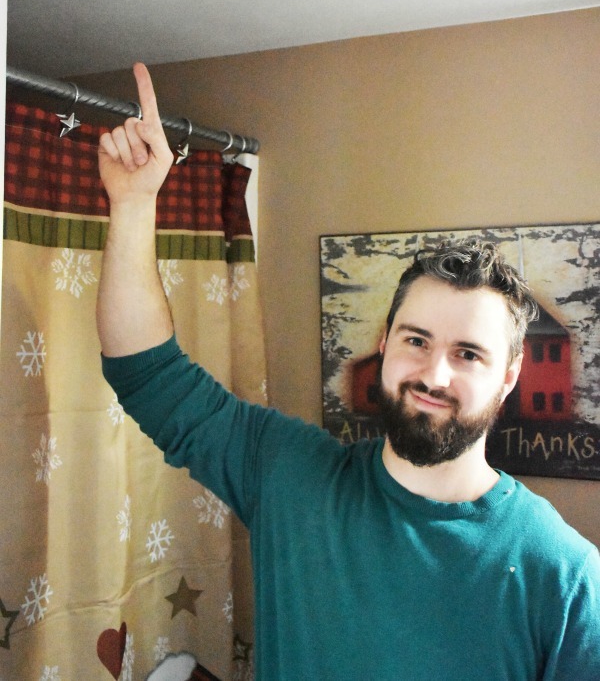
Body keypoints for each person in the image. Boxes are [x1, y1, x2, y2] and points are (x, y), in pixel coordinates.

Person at [97, 63, 600, 681]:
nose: (434, 374)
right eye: (417, 340)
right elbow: (145, 373)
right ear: (385, 344)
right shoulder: (289, 475)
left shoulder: (563, 573)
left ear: (510, 374)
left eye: (468, 353)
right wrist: (132, 203)